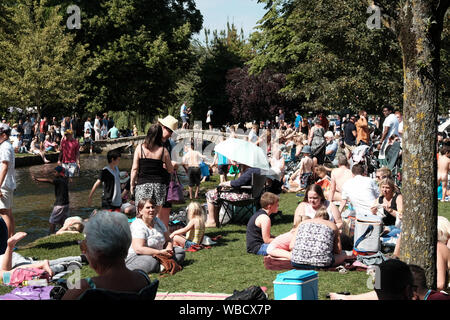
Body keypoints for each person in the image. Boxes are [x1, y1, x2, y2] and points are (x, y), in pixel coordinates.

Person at [62, 210, 152, 299]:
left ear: (98, 251)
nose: (84, 252)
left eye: (84, 247)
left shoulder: (85, 288)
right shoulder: (143, 279)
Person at [125, 198, 185, 274]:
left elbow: (168, 239)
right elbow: (139, 249)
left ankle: (161, 265)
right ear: (140, 210)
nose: (151, 210)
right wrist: (159, 252)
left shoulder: (157, 221)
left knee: (180, 252)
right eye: (148, 207)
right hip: (138, 256)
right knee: (151, 261)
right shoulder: (138, 225)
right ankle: (162, 265)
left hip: (159, 254)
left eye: (153, 207)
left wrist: (169, 249)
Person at [33, 166, 70, 234]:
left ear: (59, 173)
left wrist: (37, 179)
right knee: (63, 221)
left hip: (59, 205)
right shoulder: (65, 179)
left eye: (55, 172)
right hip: (66, 204)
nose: (54, 173)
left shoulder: (58, 181)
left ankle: (51, 234)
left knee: (52, 220)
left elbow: (48, 180)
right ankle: (65, 232)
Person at [157, 115, 179, 228]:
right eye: (169, 130)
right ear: (162, 127)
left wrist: (175, 165)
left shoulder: (169, 144)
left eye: (172, 131)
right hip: (156, 180)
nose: (170, 134)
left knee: (166, 208)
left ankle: (165, 236)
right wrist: (168, 165)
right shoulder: (153, 142)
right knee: (155, 209)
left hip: (167, 181)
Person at [0, 124, 16, 238]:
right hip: (7, 183)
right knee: (8, 213)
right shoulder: (6, 145)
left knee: (4, 213)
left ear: (4, 135)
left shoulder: (5, 147)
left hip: (4, 184)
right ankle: (11, 240)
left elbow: (4, 167)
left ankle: (7, 242)